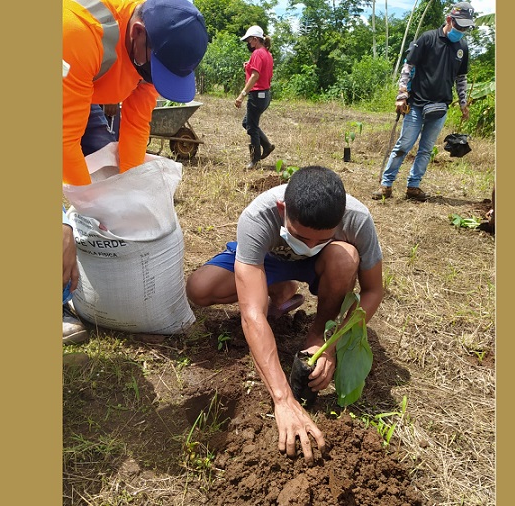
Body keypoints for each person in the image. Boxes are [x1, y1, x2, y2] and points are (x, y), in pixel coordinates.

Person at [186, 166, 384, 464]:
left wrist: (331, 344)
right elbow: (252, 314)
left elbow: (373, 290)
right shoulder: (259, 216)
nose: (310, 245)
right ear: (283, 209)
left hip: (324, 266)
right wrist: (283, 399)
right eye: (301, 236)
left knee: (345, 258)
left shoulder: (357, 218)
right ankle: (278, 287)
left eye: (321, 239)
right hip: (270, 260)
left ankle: (315, 333)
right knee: (200, 289)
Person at [62, 0, 208, 343]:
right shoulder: (79, 31)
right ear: (138, 33)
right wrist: (88, 212)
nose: (155, 78)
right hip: (61, 74)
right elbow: (63, 140)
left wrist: (130, 196)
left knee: (107, 169)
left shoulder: (153, 49)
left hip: (83, 87)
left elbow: (136, 128)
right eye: (157, 70)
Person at [372, 2, 475, 202]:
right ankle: (386, 184)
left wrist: (463, 103)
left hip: (440, 107)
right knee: (404, 145)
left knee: (426, 149)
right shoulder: (428, 39)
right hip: (417, 104)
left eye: (465, 28)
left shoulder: (462, 47)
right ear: (449, 20)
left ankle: (413, 186)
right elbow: (408, 66)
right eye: (459, 26)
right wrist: (402, 94)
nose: (461, 31)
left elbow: (461, 78)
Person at [234, 25, 275, 170]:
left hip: (257, 96)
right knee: (248, 123)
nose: (248, 43)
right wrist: (248, 66)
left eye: (249, 40)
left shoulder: (257, 53)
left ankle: (255, 160)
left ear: (255, 39)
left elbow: (255, 76)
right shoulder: (267, 54)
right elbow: (261, 72)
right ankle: (267, 146)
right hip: (265, 95)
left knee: (251, 127)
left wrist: (242, 95)